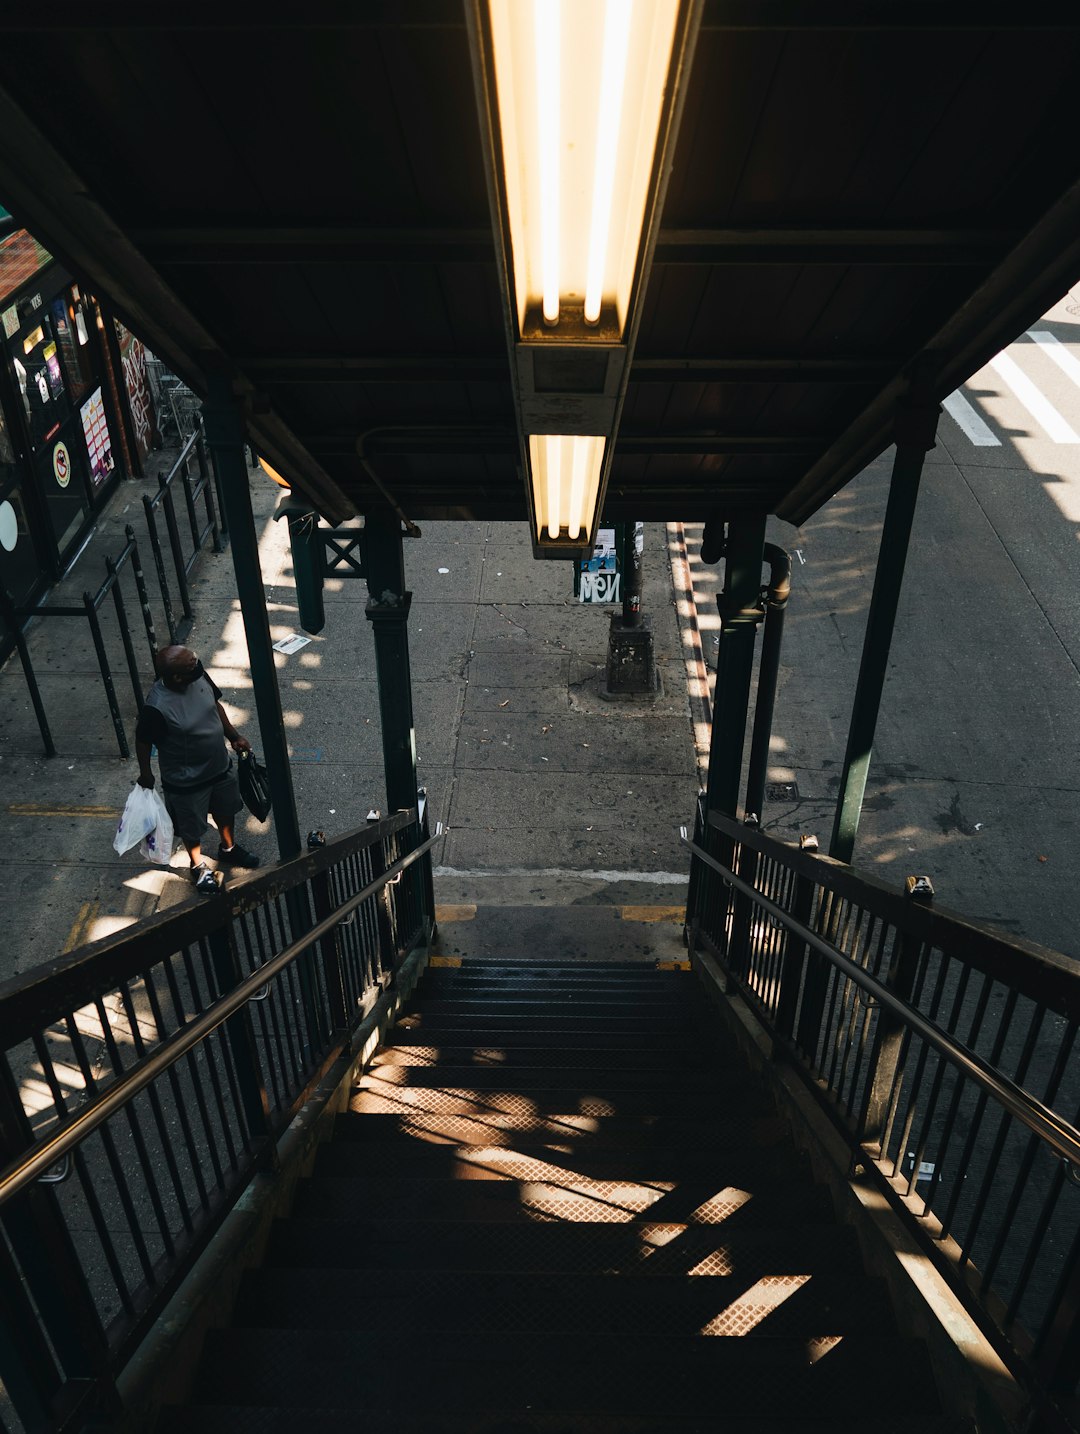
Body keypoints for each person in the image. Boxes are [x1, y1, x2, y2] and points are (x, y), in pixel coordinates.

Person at [135, 645, 260, 893]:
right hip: (186, 782)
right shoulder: (157, 707)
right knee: (191, 827)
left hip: (219, 767)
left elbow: (215, 706)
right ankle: (197, 865)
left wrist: (234, 736)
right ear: (176, 677)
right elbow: (143, 740)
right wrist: (146, 773)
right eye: (191, 666)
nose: (198, 667)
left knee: (226, 810)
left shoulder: (199, 675)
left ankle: (229, 849)